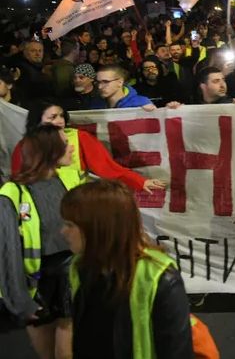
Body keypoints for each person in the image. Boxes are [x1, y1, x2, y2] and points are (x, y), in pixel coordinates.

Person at [61, 180, 195, 358]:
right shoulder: (79, 268)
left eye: (70, 225)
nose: (63, 231)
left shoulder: (161, 279)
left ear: (100, 228)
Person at [0, 125, 81, 359]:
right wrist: (19, 300)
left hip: (72, 274)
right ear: (50, 150)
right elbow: (7, 251)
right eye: (65, 144)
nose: (72, 147)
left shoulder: (72, 178)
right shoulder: (12, 193)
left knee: (67, 351)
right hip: (36, 282)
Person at [11, 99, 166, 193]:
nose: (60, 121)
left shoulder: (79, 137)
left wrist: (140, 181)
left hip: (74, 207)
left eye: (61, 116)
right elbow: (19, 179)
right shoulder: (24, 146)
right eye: (53, 117)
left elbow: (108, 167)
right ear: (38, 120)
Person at [89, 65, 155, 110]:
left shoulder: (140, 103)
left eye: (106, 82)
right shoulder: (95, 104)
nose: (100, 87)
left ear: (120, 82)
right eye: (98, 82)